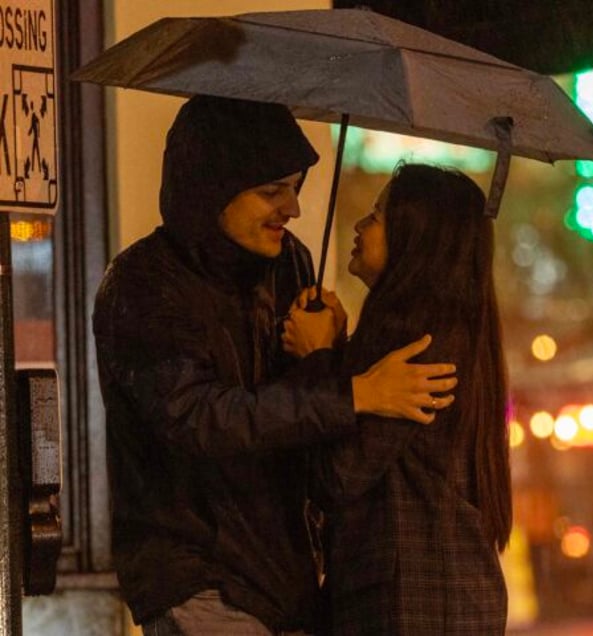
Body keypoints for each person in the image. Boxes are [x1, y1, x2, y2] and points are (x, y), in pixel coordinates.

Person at [92, 97, 457, 636]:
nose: (293, 209)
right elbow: (197, 418)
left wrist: (330, 352)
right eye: (271, 191)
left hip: (287, 579)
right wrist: (353, 393)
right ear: (210, 189)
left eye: (295, 187)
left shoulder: (289, 263)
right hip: (201, 579)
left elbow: (302, 420)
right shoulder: (144, 284)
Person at [284, 163, 513, 634]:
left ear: (418, 238)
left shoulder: (417, 343)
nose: (362, 225)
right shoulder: (450, 331)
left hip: (412, 601)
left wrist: (319, 358)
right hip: (443, 596)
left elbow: (338, 475)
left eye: (379, 214)